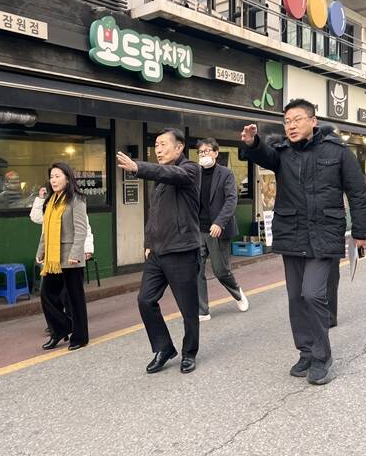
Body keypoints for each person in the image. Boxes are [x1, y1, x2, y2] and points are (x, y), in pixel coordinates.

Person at [240, 98, 366, 385]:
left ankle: (322, 356)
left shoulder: (338, 151)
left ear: (313, 121)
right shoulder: (282, 151)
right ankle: (306, 352)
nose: (291, 125)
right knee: (295, 298)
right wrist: (252, 143)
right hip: (292, 233)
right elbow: (263, 155)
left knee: (312, 294)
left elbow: (357, 193)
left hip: (325, 233)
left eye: (297, 119)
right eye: (287, 121)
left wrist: (361, 232)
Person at [116, 128, 201, 374]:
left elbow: (171, 173)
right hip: (157, 252)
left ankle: (189, 352)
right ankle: (164, 347)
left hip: (182, 250)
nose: (158, 150)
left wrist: (138, 167)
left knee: (188, 308)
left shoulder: (190, 170)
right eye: (156, 145)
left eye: (163, 144)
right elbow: (155, 215)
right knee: (145, 300)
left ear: (179, 147)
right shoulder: (160, 180)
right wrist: (148, 242)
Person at [36, 162, 89, 351]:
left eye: (58, 176)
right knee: (47, 295)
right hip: (52, 258)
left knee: (74, 299)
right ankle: (60, 329)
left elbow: (81, 230)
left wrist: (76, 254)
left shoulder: (76, 199)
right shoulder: (50, 201)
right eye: (51, 177)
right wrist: (41, 251)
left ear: (67, 178)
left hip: (70, 258)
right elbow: (46, 231)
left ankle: (80, 336)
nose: (54, 180)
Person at [196, 138, 249, 321]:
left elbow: (231, 200)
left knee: (221, 271)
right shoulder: (195, 174)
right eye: (201, 152)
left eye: (207, 151)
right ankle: (202, 310)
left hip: (216, 229)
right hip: (197, 229)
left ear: (216, 153)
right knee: (197, 269)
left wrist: (219, 222)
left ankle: (237, 293)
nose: (204, 155)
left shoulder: (225, 174)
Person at [31, 186, 95, 259]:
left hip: (70, 250)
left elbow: (84, 229)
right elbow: (36, 218)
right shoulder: (50, 207)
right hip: (51, 250)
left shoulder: (74, 204)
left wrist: (87, 249)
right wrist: (40, 199)